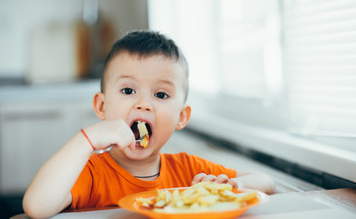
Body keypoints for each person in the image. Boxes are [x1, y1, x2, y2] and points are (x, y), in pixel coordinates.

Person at [23, 30, 275, 218]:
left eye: (161, 95)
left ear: (181, 117)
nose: (144, 104)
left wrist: (235, 186)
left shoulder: (188, 171)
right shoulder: (90, 173)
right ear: (101, 107)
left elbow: (266, 181)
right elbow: (36, 207)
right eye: (129, 90)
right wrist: (85, 140)